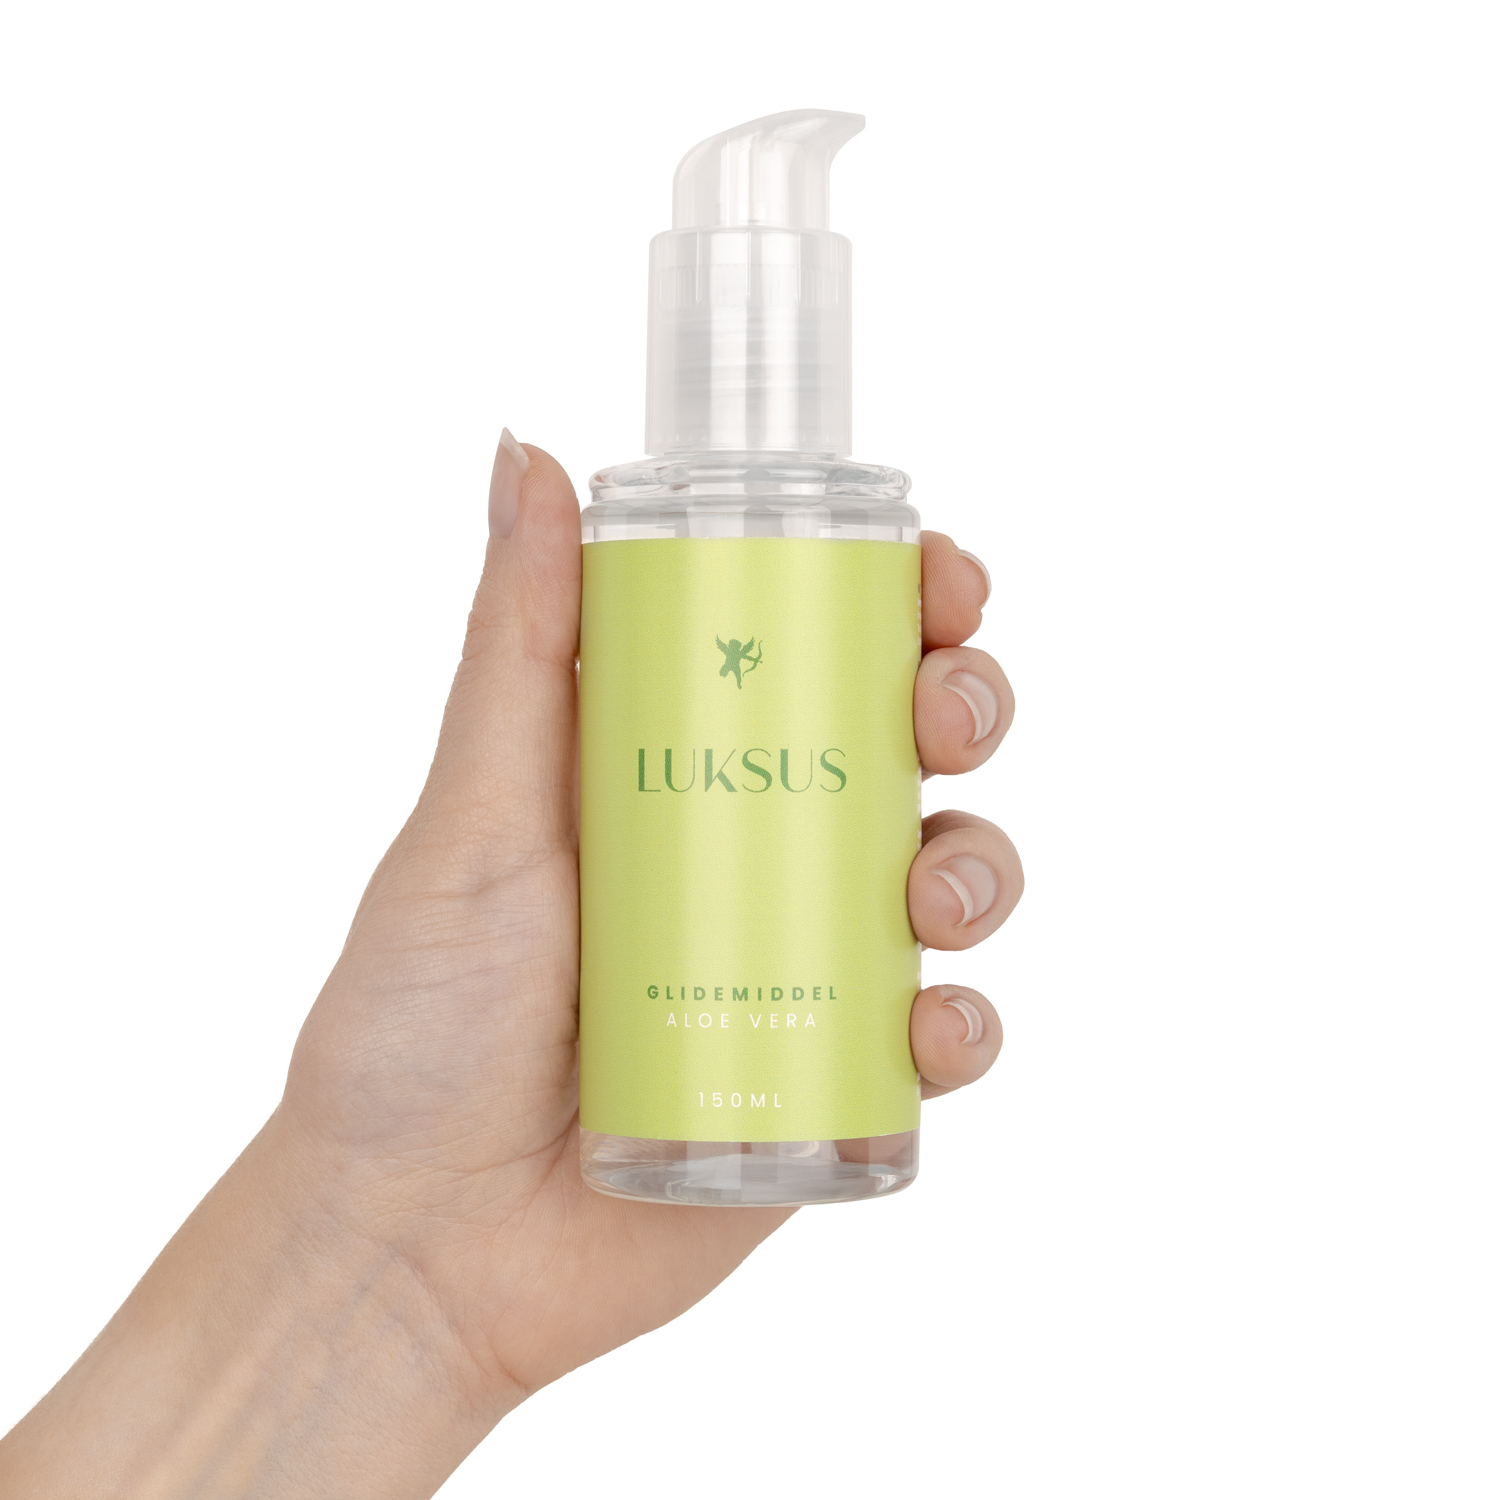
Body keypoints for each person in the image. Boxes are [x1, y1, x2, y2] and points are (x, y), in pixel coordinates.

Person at [0, 435, 1024, 1497]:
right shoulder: (648, 521)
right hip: (610, 1132)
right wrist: (380, 1231)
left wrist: (381, 1273)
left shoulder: (857, 523)